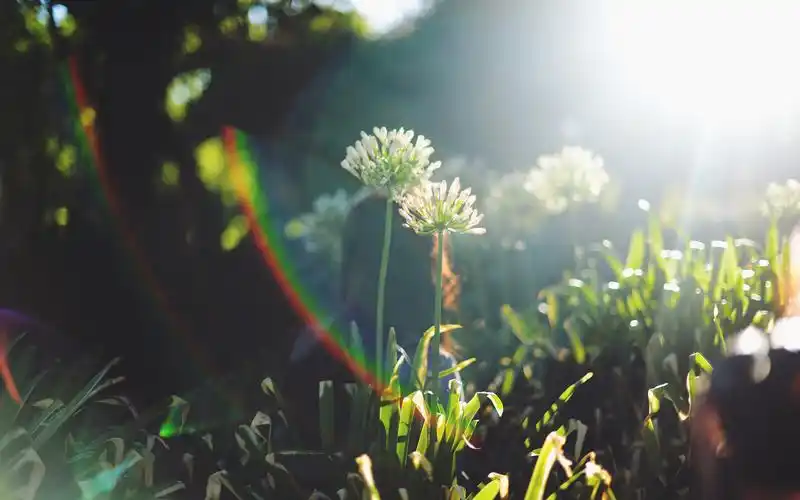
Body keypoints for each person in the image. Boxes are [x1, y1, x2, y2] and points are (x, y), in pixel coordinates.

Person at [284, 190, 463, 448]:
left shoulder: (314, 344)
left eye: (395, 260)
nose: (385, 276)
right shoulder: (437, 367)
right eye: (376, 258)